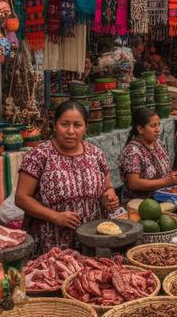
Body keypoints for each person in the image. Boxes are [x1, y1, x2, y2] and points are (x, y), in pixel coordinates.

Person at [15, 101, 119, 254]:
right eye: (65, 124)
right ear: (54, 125)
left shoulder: (95, 154)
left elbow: (107, 188)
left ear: (85, 127)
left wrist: (109, 198)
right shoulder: (39, 155)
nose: (71, 131)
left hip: (91, 240)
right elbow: (22, 198)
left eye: (77, 125)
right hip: (52, 245)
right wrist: (55, 216)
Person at [120, 107, 177, 202]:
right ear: (140, 129)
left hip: (161, 198)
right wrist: (165, 181)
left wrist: (172, 176)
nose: (158, 129)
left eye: (159, 125)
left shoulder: (158, 144)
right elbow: (133, 183)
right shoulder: (132, 151)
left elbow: (163, 171)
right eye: (153, 126)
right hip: (141, 204)